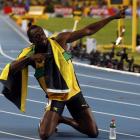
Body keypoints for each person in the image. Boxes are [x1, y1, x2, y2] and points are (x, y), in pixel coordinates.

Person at [0, 8, 125, 140]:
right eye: (36, 37)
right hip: (56, 96)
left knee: (93, 132)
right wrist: (30, 59)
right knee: (44, 135)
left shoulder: (60, 41)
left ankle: (61, 119)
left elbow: (88, 30)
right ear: (31, 41)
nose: (41, 38)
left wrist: (112, 17)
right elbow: (12, 68)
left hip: (73, 93)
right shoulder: (29, 53)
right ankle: (51, 118)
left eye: (42, 34)